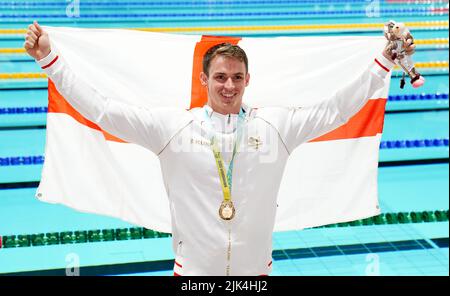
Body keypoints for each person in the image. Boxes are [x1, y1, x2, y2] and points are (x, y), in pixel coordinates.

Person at [24, 21, 415, 276]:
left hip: (256, 277)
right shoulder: (172, 128)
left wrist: (383, 60)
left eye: (237, 78)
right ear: (205, 79)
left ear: (248, 80)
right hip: (191, 277)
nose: (229, 85)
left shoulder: (276, 126)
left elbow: (337, 108)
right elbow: (102, 110)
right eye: (221, 77)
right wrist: (49, 60)